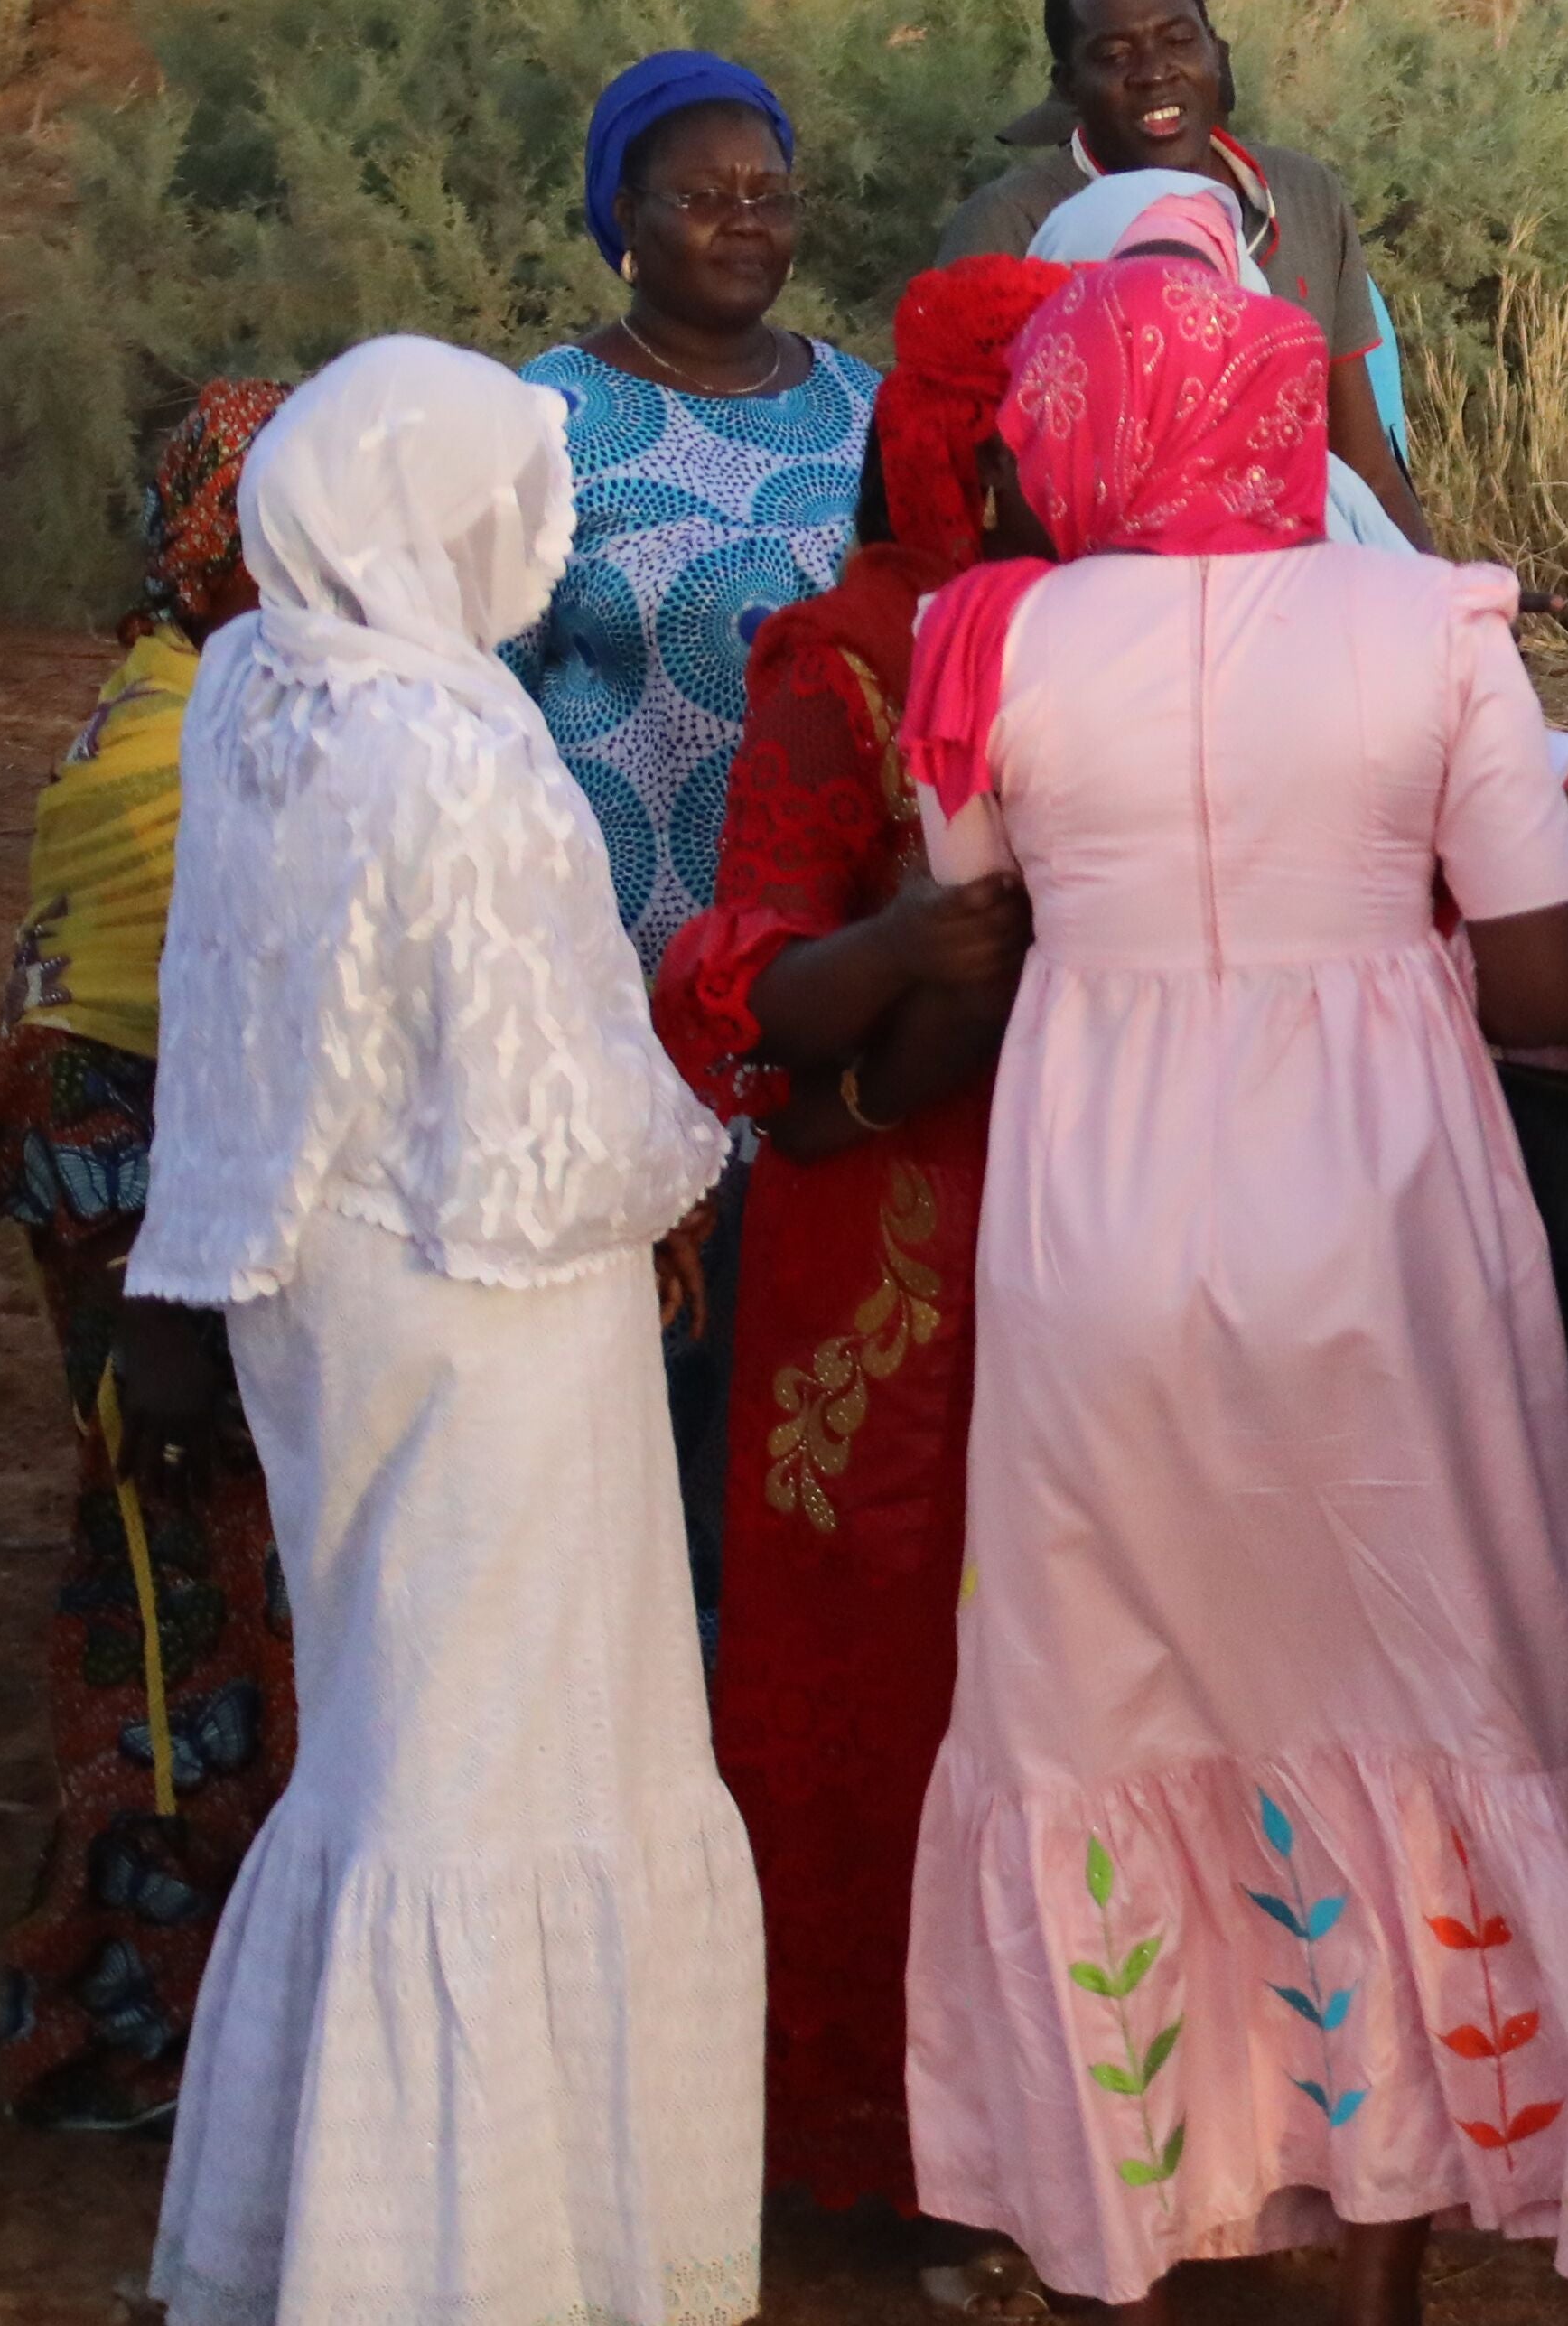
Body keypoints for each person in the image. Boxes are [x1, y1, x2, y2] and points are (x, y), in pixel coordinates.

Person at [895, 260, 1568, 2312]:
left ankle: (1137, 2214)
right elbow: (1535, 976)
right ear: (1283, 420)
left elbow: (966, 929)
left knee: (1118, 1705)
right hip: (1382, 1228)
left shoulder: (991, 639)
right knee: (1422, 1684)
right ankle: (1394, 2252)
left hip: (1098, 1234)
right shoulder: (1428, 624)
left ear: (1073, 426)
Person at [128, 343, 767, 2326]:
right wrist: (699, 1164)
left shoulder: (257, 686)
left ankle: (332, 2233)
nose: (531, 535)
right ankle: (479, 2257)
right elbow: (543, 1114)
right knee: (512, 1763)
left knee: (395, 1750)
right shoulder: (455, 739)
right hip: (493, 1303)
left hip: (311, 1279)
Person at [628, 259, 1058, 2226]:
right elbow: (756, 981)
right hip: (888, 1234)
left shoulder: (1138, 647)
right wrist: (895, 977)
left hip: (1072, 1219)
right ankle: (860, 2139)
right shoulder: (848, 652)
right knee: (883, 1660)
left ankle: (1067, 2123)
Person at [0, 381, 296, 2138]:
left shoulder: (175, 684)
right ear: (231, 532)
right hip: (161, 1249)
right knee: (185, 1607)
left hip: (155, 1220)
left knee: (175, 1579)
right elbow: (162, 1035)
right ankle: (142, 2010)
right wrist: (161, 1305)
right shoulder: (195, 734)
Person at [517, 50, 882, 969]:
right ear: (626, 215)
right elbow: (484, 703)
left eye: (770, 195)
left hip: (855, 946)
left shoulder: (863, 403)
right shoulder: (545, 420)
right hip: (623, 948)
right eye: (704, 197)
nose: (746, 223)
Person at [929, 0, 1439, 550]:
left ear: (1216, 54)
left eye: (1178, 41)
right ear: (1066, 86)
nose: (1154, 73)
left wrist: (1446, 606)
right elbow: (958, 493)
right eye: (1114, 54)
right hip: (1095, 604)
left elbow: (1368, 468)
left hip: (1296, 591)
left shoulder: (1303, 195)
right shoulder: (1012, 228)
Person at [1027, 168, 1424, 546]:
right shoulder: (1032, 514)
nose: (1173, 340)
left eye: (1197, 308)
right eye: (1133, 312)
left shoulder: (1332, 495)